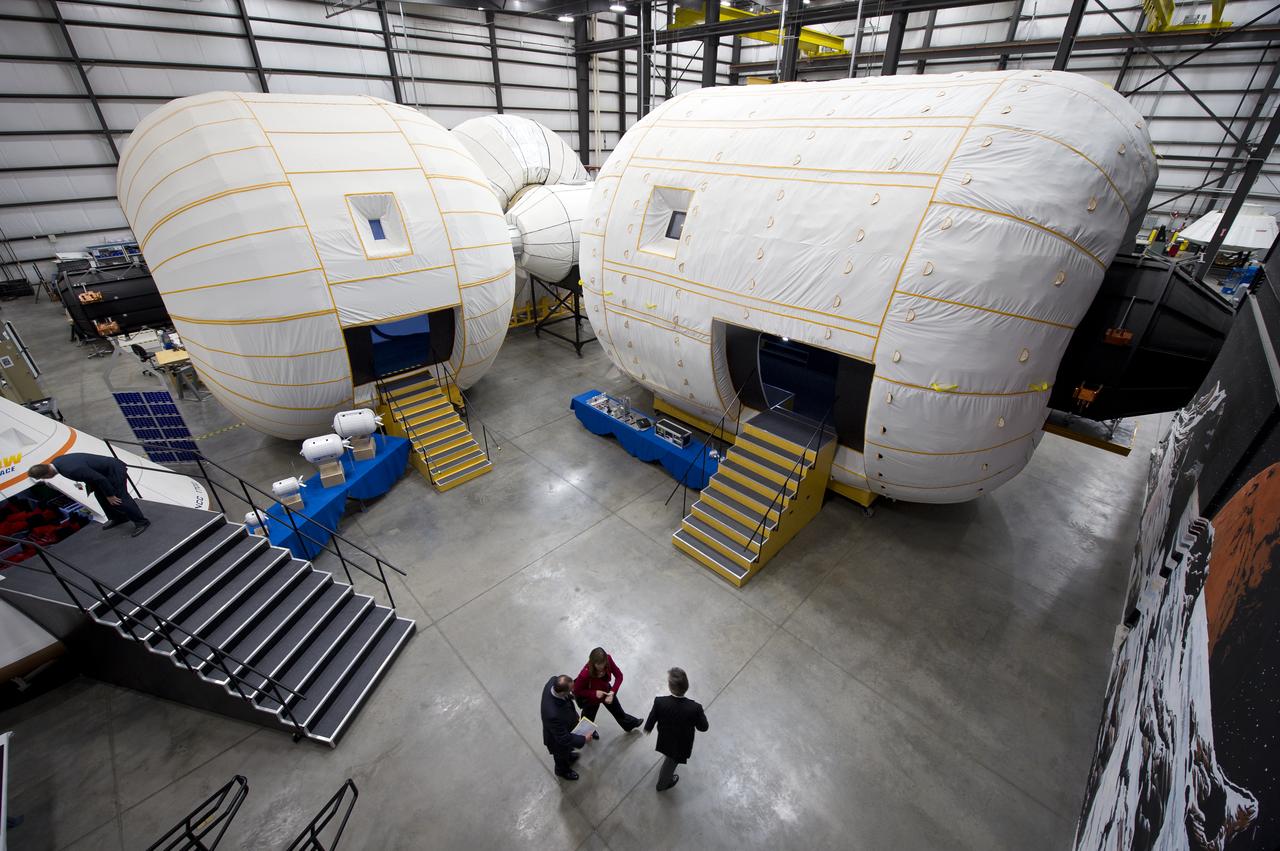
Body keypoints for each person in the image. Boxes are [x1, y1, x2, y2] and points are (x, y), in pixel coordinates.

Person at [28, 454, 150, 536]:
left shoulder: (70, 470)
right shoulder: (56, 461)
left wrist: (110, 495)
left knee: (119, 497)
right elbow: (90, 474)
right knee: (100, 496)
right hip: (100, 473)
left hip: (112, 470)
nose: (46, 479)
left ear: (47, 472)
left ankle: (141, 522)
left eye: (44, 477)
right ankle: (119, 517)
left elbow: (100, 479)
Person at [644, 667, 709, 792]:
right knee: (670, 764)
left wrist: (648, 727)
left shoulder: (660, 702)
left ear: (670, 687)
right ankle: (662, 784)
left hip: (665, 738)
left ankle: (666, 768)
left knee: (668, 755)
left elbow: (652, 717)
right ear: (687, 686)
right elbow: (703, 727)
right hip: (680, 745)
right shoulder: (695, 708)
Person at [572, 647, 642, 735]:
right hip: (591, 699)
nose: (602, 667)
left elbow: (619, 676)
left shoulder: (608, 659)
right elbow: (577, 691)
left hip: (607, 691)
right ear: (593, 663)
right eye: (598, 665)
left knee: (618, 711)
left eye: (603, 663)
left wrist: (612, 692)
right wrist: (594, 694)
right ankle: (588, 733)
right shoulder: (584, 674)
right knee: (588, 717)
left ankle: (629, 725)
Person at [541, 674, 590, 781]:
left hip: (565, 725)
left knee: (567, 751)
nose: (573, 691)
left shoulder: (553, 680)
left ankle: (568, 756)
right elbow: (563, 738)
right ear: (562, 693)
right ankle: (562, 770)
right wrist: (584, 739)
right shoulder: (552, 714)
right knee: (560, 755)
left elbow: (566, 698)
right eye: (571, 690)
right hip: (556, 740)